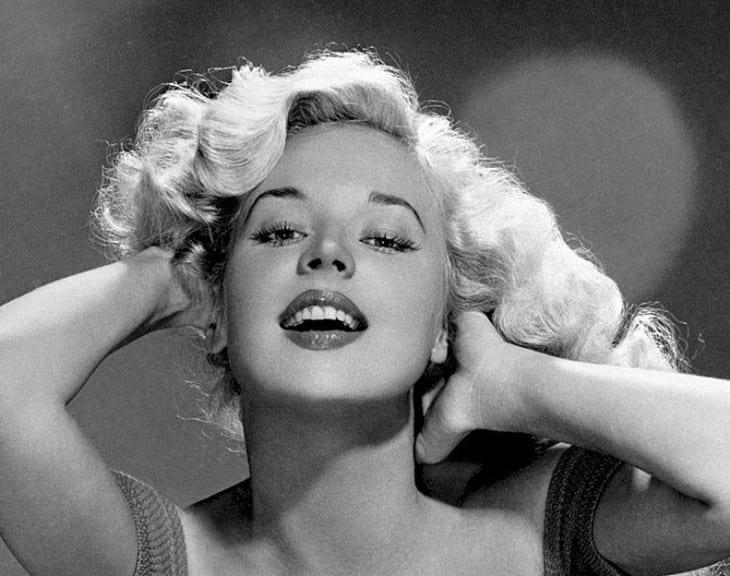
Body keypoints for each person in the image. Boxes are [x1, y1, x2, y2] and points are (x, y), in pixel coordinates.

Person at [0, 49, 728, 576]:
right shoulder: (168, 562)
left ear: (443, 326)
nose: (327, 255)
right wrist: (174, 274)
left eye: (386, 238)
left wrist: (512, 382)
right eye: (279, 232)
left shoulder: (533, 536)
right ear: (219, 309)